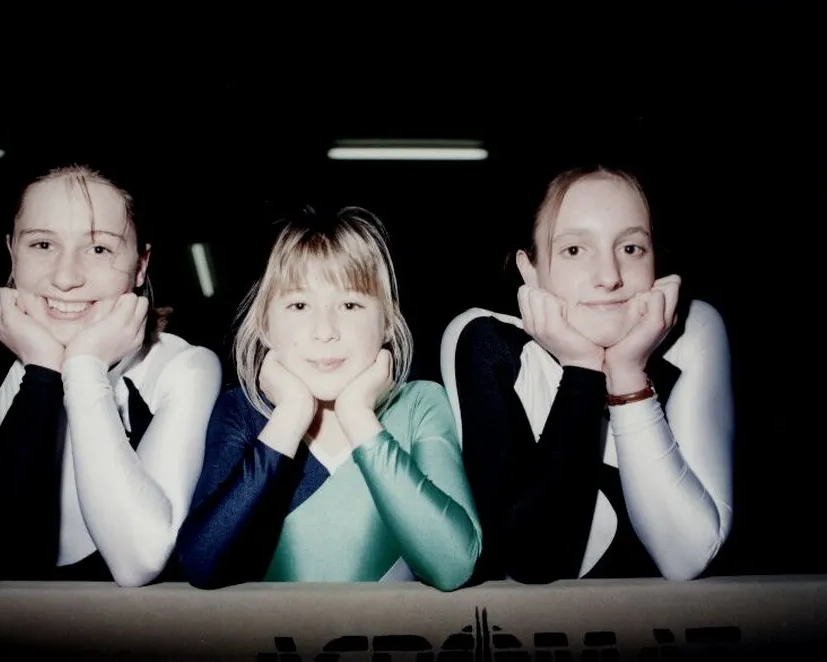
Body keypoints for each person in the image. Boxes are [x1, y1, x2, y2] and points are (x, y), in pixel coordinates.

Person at [0, 165, 222, 586]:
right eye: (43, 244)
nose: (66, 277)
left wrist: (84, 367)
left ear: (140, 267)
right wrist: (43, 371)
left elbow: (138, 561)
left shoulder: (183, 367)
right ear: (13, 255)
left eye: (99, 249)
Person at [440, 165, 733, 583]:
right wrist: (582, 369)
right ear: (531, 269)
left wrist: (628, 374)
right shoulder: (486, 340)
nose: (610, 277)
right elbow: (532, 561)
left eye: (631, 248)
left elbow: (686, 557)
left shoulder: (693, 331)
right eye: (575, 250)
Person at [175, 206, 482, 590]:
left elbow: (453, 564)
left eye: (350, 305)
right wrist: (289, 418)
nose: (325, 331)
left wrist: (359, 418)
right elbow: (201, 564)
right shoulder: (242, 410)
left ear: (386, 322)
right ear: (266, 326)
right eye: (299, 305)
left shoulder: (420, 404)